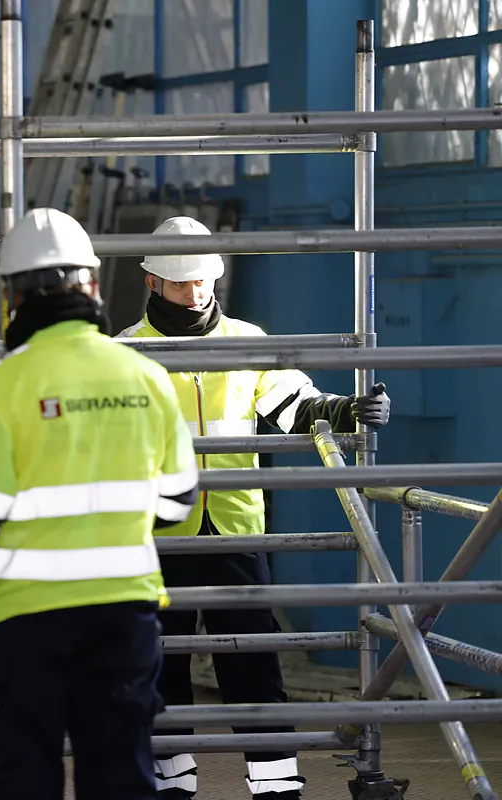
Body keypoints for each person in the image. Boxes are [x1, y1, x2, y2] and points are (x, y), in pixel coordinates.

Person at [0, 207, 201, 800]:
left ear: (11, 295)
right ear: (91, 284)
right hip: (126, 619)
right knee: (122, 776)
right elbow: (178, 503)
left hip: (25, 627)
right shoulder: (145, 376)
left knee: (24, 779)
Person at [115, 215, 392, 800]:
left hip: (236, 531)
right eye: (181, 284)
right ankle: (169, 785)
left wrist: (347, 411)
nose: (194, 294)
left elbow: (297, 403)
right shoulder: (121, 355)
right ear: (151, 283)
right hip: (156, 537)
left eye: (202, 282)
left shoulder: (247, 341)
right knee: (160, 664)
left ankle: (277, 787)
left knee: (254, 664)